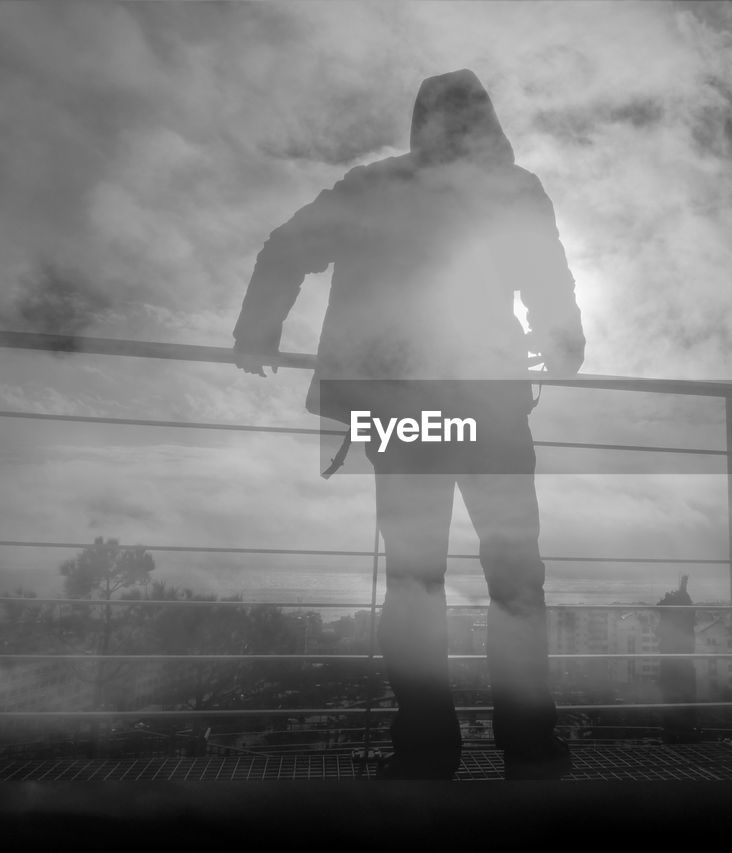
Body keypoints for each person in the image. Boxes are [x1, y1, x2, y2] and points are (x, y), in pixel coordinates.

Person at [232, 69, 585, 780]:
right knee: (515, 580)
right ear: (488, 120)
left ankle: (426, 749)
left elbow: (284, 247)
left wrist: (257, 332)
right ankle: (531, 745)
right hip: (489, 410)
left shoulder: (375, 186)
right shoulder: (514, 190)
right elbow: (547, 282)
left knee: (416, 581)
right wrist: (563, 345)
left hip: (408, 409)